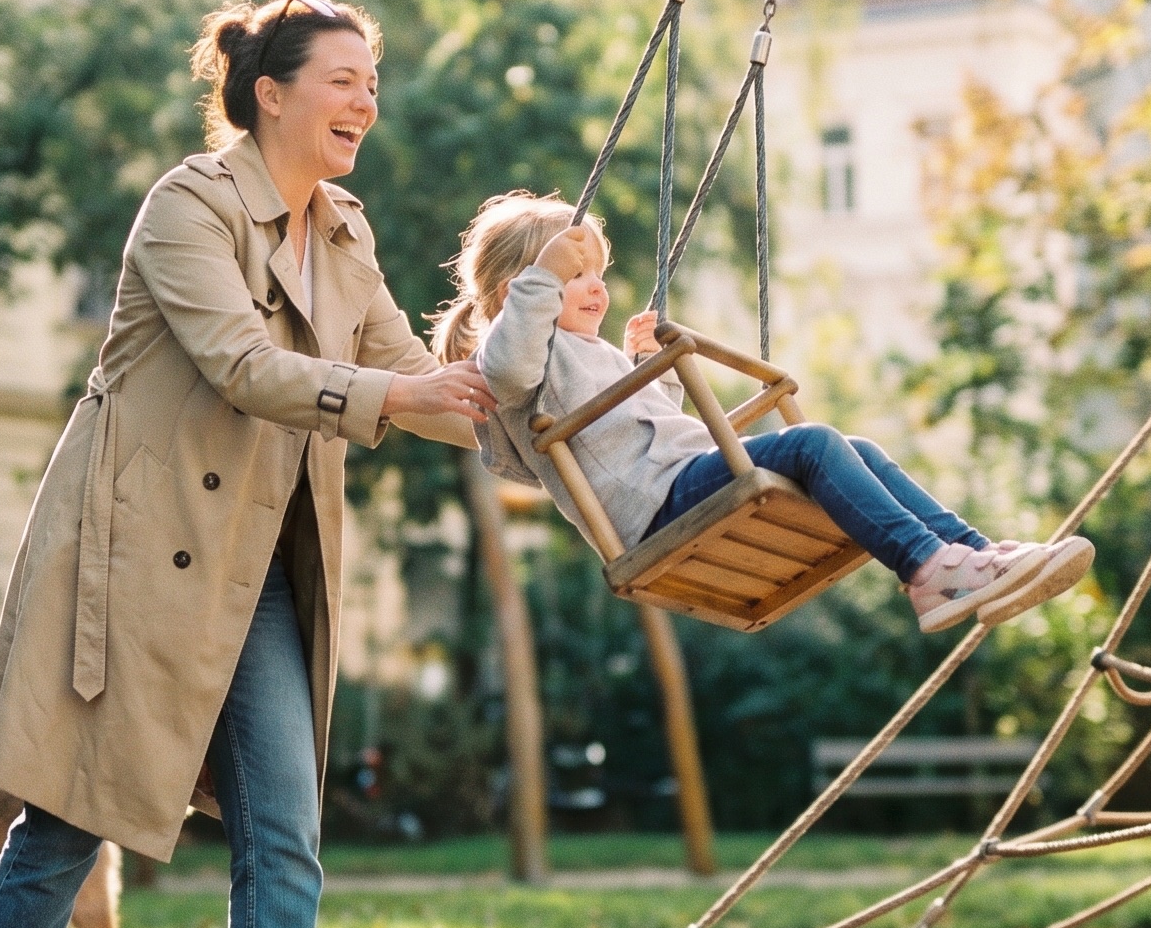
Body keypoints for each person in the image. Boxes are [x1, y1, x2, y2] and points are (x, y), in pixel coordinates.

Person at [0, 0, 491, 928]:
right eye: (341, 78)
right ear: (270, 92)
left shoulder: (343, 229)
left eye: (370, 80)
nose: (365, 100)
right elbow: (245, 367)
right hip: (139, 555)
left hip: (267, 565)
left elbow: (410, 367)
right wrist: (401, 400)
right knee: (69, 806)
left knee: (284, 829)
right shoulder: (188, 207)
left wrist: (552, 377)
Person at [441, 193, 1094, 633]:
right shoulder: (525, 359)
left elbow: (643, 431)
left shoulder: (589, 355)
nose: (595, 287)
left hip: (676, 478)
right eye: (572, 275)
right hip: (656, 508)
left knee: (856, 450)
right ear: (519, 291)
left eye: (596, 273)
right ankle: (928, 571)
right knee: (809, 445)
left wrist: (647, 372)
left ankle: (977, 558)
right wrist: (541, 287)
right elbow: (507, 366)